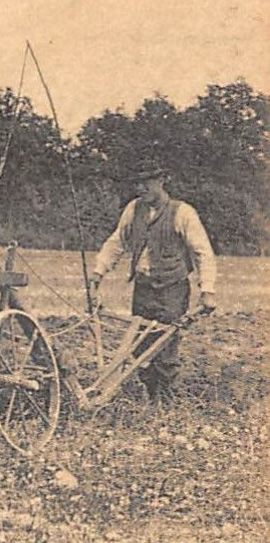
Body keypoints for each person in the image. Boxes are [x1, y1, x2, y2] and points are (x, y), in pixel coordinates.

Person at [88, 161, 217, 403]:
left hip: (172, 289)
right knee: (141, 344)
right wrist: (98, 273)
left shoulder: (182, 212)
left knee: (166, 344)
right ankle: (150, 394)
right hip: (143, 288)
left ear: (161, 181)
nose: (141, 188)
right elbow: (117, 243)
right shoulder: (133, 210)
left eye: (146, 182)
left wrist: (207, 290)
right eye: (137, 183)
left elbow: (203, 252)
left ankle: (164, 400)